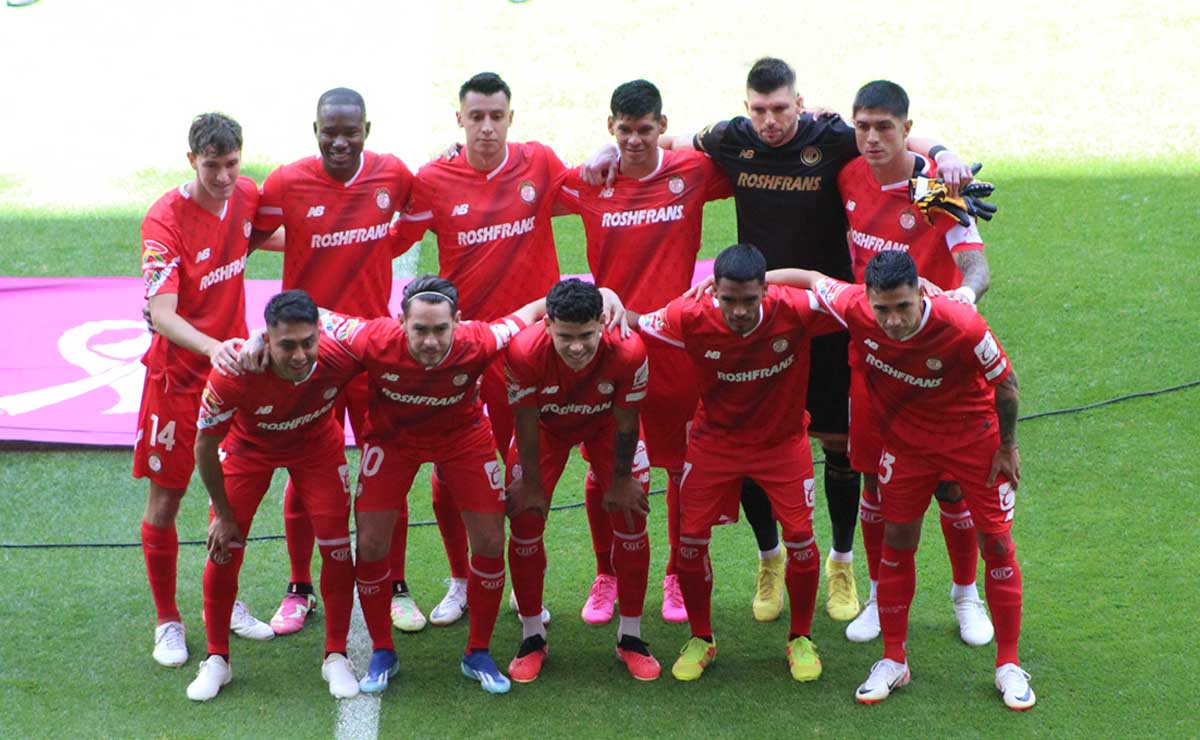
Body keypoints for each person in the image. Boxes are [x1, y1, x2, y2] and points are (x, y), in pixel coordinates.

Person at [586, 58, 974, 625]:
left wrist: (945, 160)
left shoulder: (834, 137)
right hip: (758, 313)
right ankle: (770, 560)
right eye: (760, 110)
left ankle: (841, 563)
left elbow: (894, 140)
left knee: (841, 444)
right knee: (751, 440)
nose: (770, 122)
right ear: (748, 109)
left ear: (801, 103)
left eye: (780, 109)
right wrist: (607, 154)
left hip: (829, 313)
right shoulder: (731, 139)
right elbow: (662, 136)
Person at [772, 251, 1032, 711]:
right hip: (908, 446)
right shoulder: (854, 305)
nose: (892, 320)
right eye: (883, 309)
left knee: (996, 542)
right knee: (897, 539)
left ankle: (1008, 665)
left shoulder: (962, 326)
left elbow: (1006, 383)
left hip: (973, 442)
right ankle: (894, 659)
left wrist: (1007, 447)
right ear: (869, 300)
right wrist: (738, 281)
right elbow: (811, 278)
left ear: (921, 292)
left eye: (902, 307)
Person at [391, 71, 568, 627]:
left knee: (526, 468)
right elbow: (386, 239)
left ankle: (518, 583)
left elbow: (601, 188)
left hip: (535, 348)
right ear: (460, 119)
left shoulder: (540, 162)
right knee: (451, 469)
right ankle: (461, 579)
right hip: (464, 350)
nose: (487, 126)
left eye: (497, 116)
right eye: (477, 117)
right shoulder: (434, 178)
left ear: (510, 119)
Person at [556, 79, 732, 624]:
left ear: (662, 125)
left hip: (678, 345)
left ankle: (677, 574)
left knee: (678, 465)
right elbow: (525, 182)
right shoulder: (589, 181)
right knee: (606, 468)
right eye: (625, 130)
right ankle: (606, 573)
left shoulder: (694, 172)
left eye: (645, 129)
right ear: (611, 128)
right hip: (609, 346)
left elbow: (758, 155)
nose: (634, 140)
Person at [252, 87, 426, 635]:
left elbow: (414, 223)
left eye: (351, 131)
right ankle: (300, 586)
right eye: (331, 130)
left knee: (387, 468)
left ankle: (395, 581)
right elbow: (245, 239)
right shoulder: (285, 182)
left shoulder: (393, 175)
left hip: (373, 349)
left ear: (367, 131)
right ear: (315, 130)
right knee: (305, 472)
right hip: (311, 355)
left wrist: (373, 246)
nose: (340, 141)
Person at [628, 244, 842, 683]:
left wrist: (785, 273)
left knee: (801, 539)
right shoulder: (688, 315)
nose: (740, 311)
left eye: (749, 299)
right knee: (689, 541)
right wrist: (611, 301)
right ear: (714, 293)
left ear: (767, 289)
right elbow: (636, 324)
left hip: (783, 443)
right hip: (715, 442)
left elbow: (849, 296)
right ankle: (701, 638)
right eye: (729, 299)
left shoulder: (796, 309)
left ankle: (800, 638)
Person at [836, 80, 995, 647]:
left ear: (906, 127)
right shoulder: (848, 172)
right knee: (875, 488)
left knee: (951, 490)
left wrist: (964, 298)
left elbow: (975, 265)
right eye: (863, 126)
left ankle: (964, 595)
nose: (873, 137)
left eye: (886, 126)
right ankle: (881, 596)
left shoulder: (929, 189)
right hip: (873, 363)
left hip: (937, 367)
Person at [135, 112, 270, 668]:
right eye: (211, 165)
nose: (222, 176)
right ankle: (168, 619)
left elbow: (288, 235)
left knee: (231, 498)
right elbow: (160, 313)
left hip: (231, 377)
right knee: (167, 499)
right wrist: (215, 345)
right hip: (178, 381)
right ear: (192, 160)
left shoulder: (247, 195)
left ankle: (225, 598)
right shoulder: (164, 221)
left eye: (231, 164)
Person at [185, 290, 361, 702]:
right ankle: (216, 660)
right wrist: (223, 515)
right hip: (249, 451)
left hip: (317, 448)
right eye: (287, 345)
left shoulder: (340, 353)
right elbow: (204, 446)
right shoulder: (234, 370)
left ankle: (336, 655)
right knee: (223, 546)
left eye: (307, 343)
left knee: (337, 546)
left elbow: (386, 335)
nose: (300, 355)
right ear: (268, 338)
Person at [503, 279, 657, 682]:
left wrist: (621, 481)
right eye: (566, 337)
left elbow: (627, 422)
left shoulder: (629, 350)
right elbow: (527, 421)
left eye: (586, 335)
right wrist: (532, 484)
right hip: (547, 430)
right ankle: (532, 635)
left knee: (630, 516)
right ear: (548, 324)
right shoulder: (522, 351)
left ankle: (632, 637)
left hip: (606, 426)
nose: (576, 347)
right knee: (525, 520)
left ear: (601, 324)